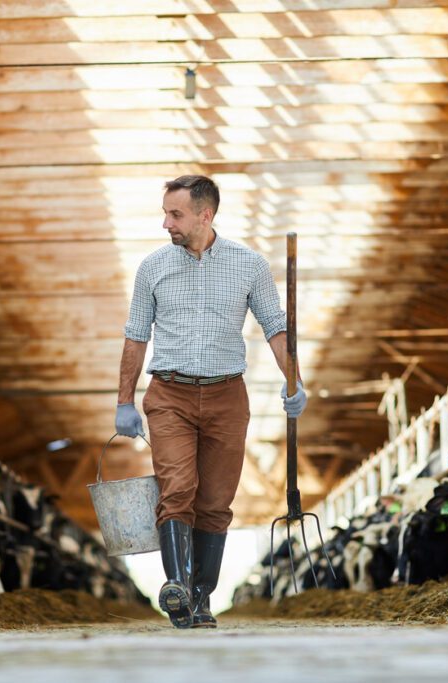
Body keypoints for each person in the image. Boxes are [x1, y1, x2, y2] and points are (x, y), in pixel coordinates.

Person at [115, 174, 307, 629]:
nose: (166, 223)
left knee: (217, 501)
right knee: (177, 489)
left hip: (227, 396)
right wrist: (124, 399)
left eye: (175, 214)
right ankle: (177, 586)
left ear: (206, 214)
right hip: (169, 395)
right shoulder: (152, 267)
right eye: (165, 212)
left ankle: (201, 597)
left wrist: (295, 381)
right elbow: (135, 336)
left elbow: (276, 328)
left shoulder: (249, 266)